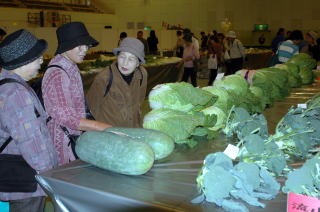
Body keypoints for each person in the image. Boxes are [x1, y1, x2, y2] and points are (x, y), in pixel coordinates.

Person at [0, 29, 58, 212]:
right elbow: (32, 143)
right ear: (21, 61)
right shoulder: (16, 94)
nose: (42, 60)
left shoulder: (6, 85)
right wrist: (49, 174)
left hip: (13, 179)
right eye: (36, 57)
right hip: (26, 187)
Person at [41, 22, 112, 166]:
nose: (84, 50)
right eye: (79, 46)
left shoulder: (70, 66)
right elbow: (67, 117)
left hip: (74, 134)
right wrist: (103, 128)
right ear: (66, 47)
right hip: (64, 139)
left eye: (86, 45)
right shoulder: (58, 73)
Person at [86, 37, 147, 128]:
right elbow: (90, 107)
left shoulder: (142, 75)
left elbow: (139, 100)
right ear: (117, 56)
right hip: (110, 135)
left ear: (138, 63)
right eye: (122, 57)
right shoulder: (104, 78)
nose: (125, 63)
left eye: (131, 59)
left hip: (133, 130)